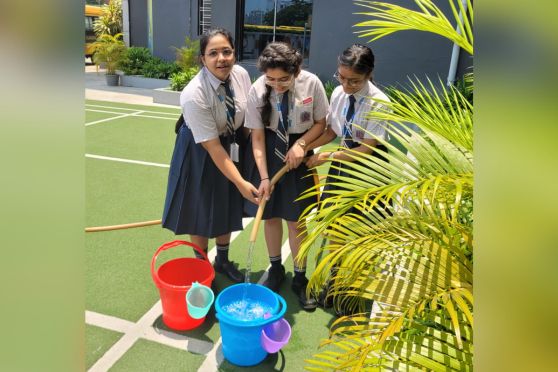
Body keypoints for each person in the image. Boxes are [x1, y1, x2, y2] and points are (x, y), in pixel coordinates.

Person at [162, 28, 259, 283]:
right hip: (200, 148)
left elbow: (246, 119)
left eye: (227, 51)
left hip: (231, 141)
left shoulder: (240, 75)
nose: (221, 59)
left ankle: (223, 260)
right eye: (213, 53)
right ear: (202, 59)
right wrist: (241, 183)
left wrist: (251, 158)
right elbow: (213, 147)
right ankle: (202, 268)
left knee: (226, 203)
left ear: (234, 53)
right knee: (201, 209)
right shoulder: (195, 93)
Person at [305, 44, 391, 313]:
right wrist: (306, 147)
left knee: (360, 231)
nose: (345, 84)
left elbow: (366, 148)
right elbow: (332, 130)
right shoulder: (340, 95)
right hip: (343, 162)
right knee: (334, 226)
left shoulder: (380, 102)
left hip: (369, 168)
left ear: (369, 74)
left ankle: (353, 292)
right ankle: (336, 283)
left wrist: (327, 158)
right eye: (341, 77)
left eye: (353, 80)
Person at [244, 42, 328, 310]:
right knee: (271, 216)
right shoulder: (258, 89)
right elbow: (256, 136)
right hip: (268, 152)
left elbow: (321, 123)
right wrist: (265, 177)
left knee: (297, 221)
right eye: (271, 79)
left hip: (298, 153)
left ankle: (300, 278)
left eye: (283, 79)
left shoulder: (312, 83)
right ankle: (276, 269)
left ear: (296, 70)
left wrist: (302, 145)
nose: (277, 85)